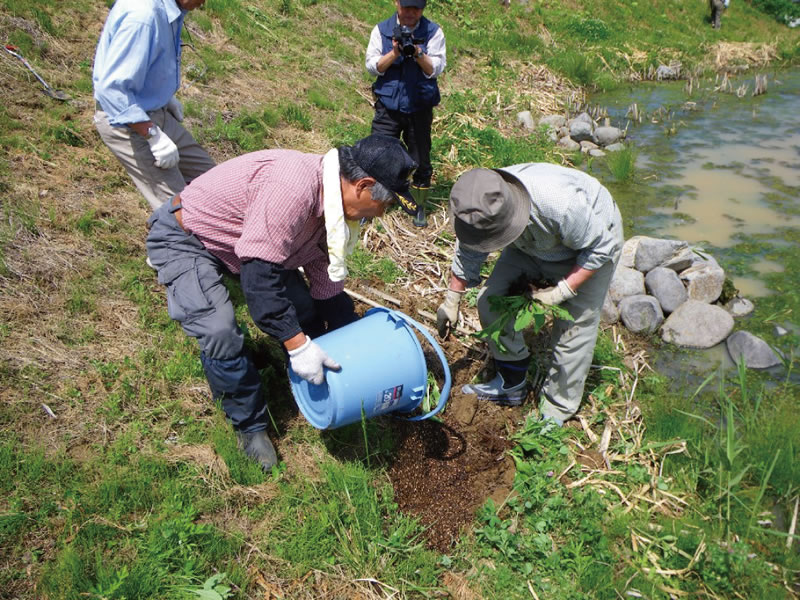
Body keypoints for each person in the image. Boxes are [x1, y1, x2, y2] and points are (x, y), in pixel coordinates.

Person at [146, 135, 418, 469]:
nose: (381, 214)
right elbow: (260, 281)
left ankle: (301, 375)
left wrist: (356, 348)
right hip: (191, 237)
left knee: (305, 312)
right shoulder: (293, 188)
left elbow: (327, 280)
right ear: (363, 185)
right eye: (385, 205)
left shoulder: (334, 207)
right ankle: (249, 426)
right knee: (220, 331)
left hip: (251, 245)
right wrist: (298, 346)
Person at [436, 165, 623, 427]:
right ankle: (512, 384)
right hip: (529, 246)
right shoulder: (478, 202)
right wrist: (452, 298)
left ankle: (557, 409)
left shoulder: (562, 205)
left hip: (588, 247)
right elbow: (470, 245)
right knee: (491, 303)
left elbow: (601, 247)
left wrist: (562, 291)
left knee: (573, 332)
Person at [93, 0, 215, 211]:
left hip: (155, 111)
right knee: (179, 213)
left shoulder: (171, 10)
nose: (203, 3)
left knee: (217, 184)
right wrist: (152, 135)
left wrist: (163, 96)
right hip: (128, 123)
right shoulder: (143, 17)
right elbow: (112, 89)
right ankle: (172, 239)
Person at [365, 0, 446, 228]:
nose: (411, 13)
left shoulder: (433, 32)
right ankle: (371, 204)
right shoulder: (381, 29)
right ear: (396, 3)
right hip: (388, 106)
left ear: (424, 7)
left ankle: (418, 205)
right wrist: (394, 52)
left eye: (417, 8)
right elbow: (372, 66)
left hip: (419, 107)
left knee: (420, 159)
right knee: (377, 154)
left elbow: (435, 68)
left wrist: (418, 53)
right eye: (406, 7)